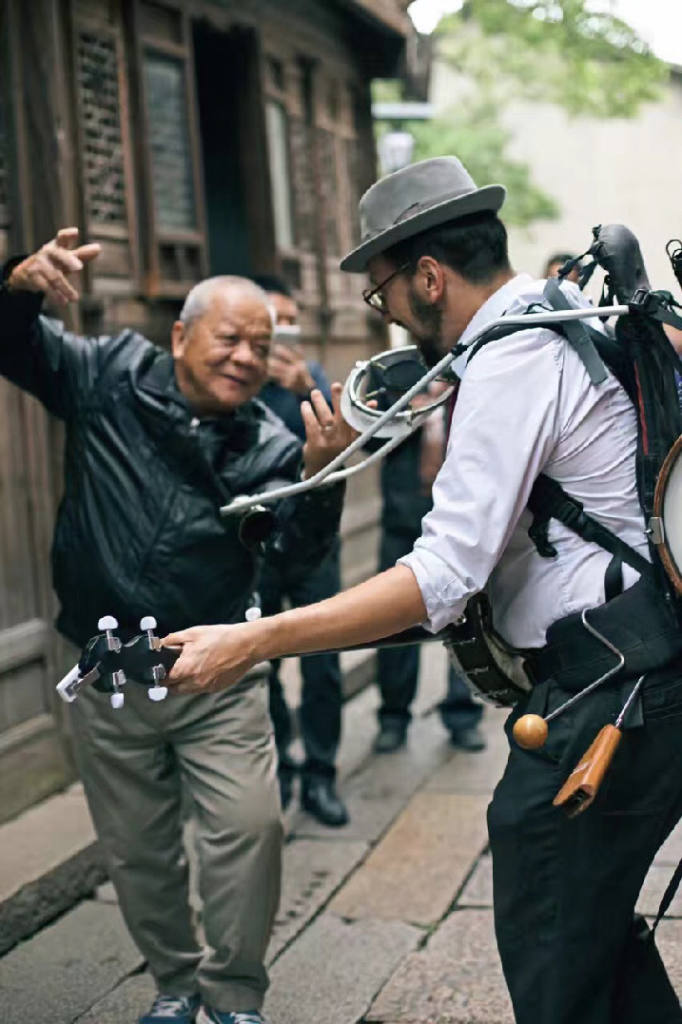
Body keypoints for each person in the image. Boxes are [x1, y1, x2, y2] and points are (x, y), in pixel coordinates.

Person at [163, 157, 682, 1024]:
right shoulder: (552, 322)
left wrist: (250, 639)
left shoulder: (513, 356)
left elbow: (441, 576)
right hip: (637, 668)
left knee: (555, 936)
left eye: (385, 294)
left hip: (611, 692)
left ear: (429, 276)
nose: (390, 315)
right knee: (586, 941)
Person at [0, 228, 354, 1024]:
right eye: (229, 337)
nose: (244, 358)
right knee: (139, 847)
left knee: (250, 827)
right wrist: (19, 286)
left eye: (260, 346)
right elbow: (10, 342)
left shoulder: (268, 444)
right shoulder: (105, 375)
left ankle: (233, 997)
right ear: (180, 335)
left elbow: (293, 568)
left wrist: (321, 482)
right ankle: (175, 982)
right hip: (113, 662)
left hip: (217, 664)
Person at [251, 273, 348, 827]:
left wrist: (303, 386)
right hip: (259, 544)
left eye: (288, 320)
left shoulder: (311, 380)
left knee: (323, 664)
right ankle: (281, 766)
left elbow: (339, 449)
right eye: (271, 319)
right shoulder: (234, 380)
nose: (280, 331)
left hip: (312, 543)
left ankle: (321, 774)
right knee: (259, 661)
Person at [374, 404, 485, 754]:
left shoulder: (481, 365)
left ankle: (463, 715)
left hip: (461, 522)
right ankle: (393, 716)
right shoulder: (398, 375)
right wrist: (405, 411)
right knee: (390, 623)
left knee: (467, 622)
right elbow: (366, 441)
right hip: (402, 517)